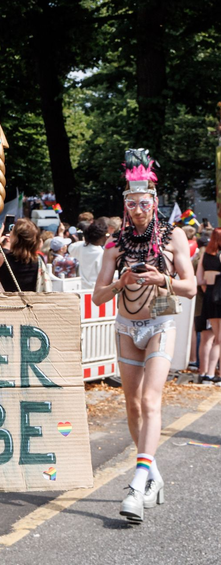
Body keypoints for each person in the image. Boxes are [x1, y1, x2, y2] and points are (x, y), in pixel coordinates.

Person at [92, 149, 195, 523]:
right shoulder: (114, 244)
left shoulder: (174, 237)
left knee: (151, 401)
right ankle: (152, 475)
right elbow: (97, 295)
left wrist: (161, 278)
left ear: (155, 202)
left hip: (161, 323)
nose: (138, 209)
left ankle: (136, 484)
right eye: (132, 203)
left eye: (144, 202)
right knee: (132, 406)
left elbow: (191, 286)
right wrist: (122, 280)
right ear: (125, 206)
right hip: (126, 327)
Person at [0, 217, 42, 292]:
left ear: (16, 238)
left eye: (12, 230)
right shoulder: (38, 260)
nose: (10, 233)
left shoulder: (1, 258)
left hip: (7, 302)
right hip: (30, 302)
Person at [196, 227, 221, 383]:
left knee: (212, 338)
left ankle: (206, 373)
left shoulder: (204, 257)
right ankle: (213, 374)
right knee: (219, 340)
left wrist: (209, 284)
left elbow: (199, 281)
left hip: (210, 298)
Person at [70, 219, 108, 290]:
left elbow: (70, 248)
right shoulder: (101, 253)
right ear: (99, 237)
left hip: (82, 287)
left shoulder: (81, 246)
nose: (106, 238)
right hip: (96, 288)